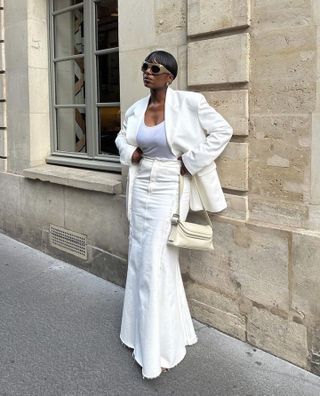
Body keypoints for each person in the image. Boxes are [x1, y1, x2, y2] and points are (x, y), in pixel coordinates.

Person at [115, 50, 233, 379]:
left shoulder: (190, 104)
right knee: (141, 260)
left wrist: (190, 161)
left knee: (155, 261)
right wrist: (131, 152)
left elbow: (222, 131)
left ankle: (158, 351)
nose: (147, 72)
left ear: (170, 76)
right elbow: (121, 138)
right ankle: (138, 334)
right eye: (145, 67)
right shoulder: (136, 108)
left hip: (170, 186)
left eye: (155, 68)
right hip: (141, 189)